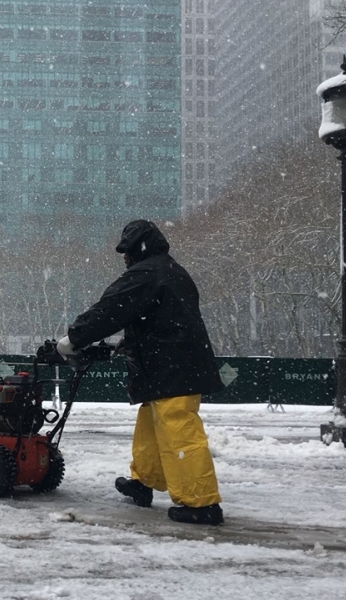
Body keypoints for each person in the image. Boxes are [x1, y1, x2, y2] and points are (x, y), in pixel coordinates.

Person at [57, 219, 225, 525]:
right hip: (170, 366)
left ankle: (202, 503)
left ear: (138, 249)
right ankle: (144, 482)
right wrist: (131, 341)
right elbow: (166, 319)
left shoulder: (147, 273)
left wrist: (74, 339)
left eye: (127, 251)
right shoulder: (172, 270)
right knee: (150, 425)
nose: (124, 257)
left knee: (179, 432)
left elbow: (110, 309)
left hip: (172, 369)